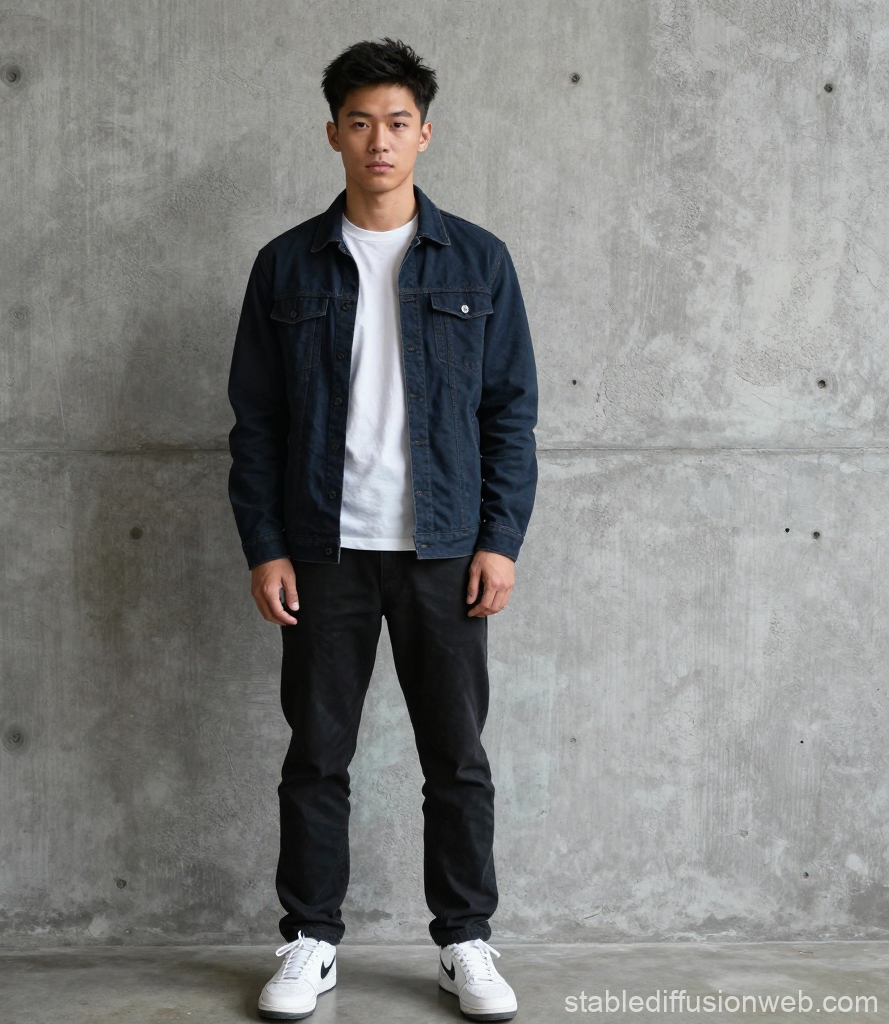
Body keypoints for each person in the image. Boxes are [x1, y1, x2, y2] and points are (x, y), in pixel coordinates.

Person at [227, 37, 538, 1022]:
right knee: (317, 754)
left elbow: (508, 415)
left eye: (396, 122)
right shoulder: (285, 265)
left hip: (444, 548)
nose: (378, 141)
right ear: (333, 134)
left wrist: (500, 538)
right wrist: (265, 543)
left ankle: (464, 942)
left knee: (458, 757)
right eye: (359, 122)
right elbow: (257, 423)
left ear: (424, 134)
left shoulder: (477, 261)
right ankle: (310, 938)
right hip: (324, 549)